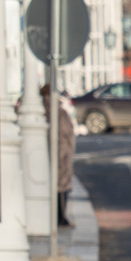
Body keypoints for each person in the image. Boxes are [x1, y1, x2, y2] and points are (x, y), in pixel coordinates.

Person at [55, 88, 75, 227]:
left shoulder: (43, 110)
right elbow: (68, 135)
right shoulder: (60, 113)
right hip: (61, 156)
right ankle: (60, 218)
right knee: (61, 187)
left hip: (55, 155)